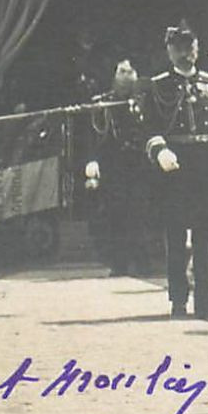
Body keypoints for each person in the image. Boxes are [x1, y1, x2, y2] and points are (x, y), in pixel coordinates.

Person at [140, 23, 208, 319]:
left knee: (206, 232)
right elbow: (149, 128)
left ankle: (205, 301)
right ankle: (178, 299)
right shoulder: (158, 85)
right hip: (175, 166)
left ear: (198, 49)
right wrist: (159, 150)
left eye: (190, 48)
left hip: (205, 163)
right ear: (169, 51)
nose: (185, 54)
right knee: (176, 234)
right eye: (178, 48)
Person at [86, 58, 155, 277]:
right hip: (113, 165)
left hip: (138, 164)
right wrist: (93, 160)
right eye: (122, 71)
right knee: (115, 214)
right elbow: (96, 136)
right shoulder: (103, 104)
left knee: (139, 213)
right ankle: (119, 263)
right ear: (115, 75)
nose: (126, 76)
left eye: (130, 71)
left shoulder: (145, 101)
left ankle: (143, 262)